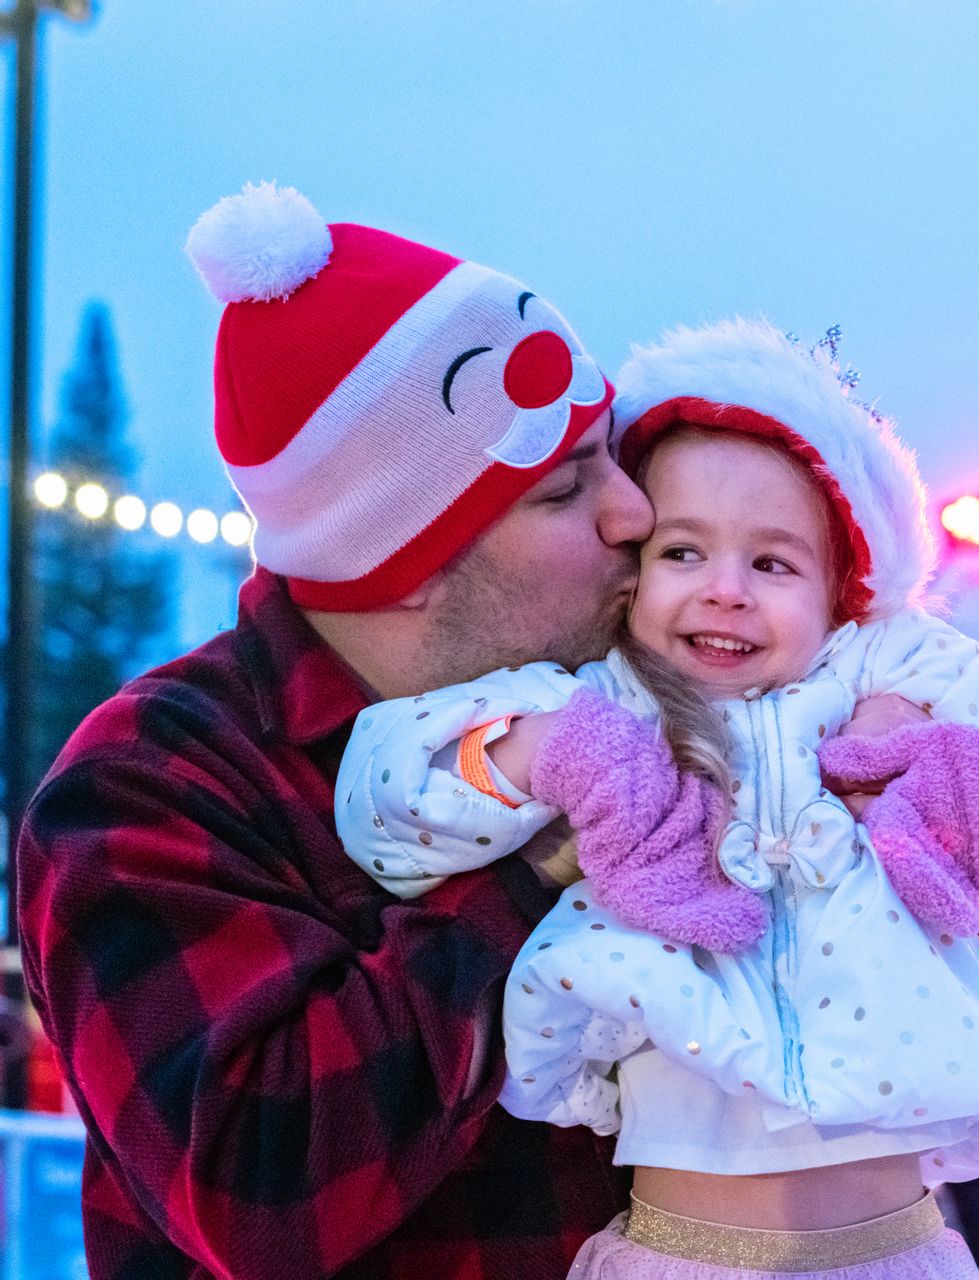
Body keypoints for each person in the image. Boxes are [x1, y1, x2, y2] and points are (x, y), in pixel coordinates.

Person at [13, 183, 888, 1279]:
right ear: (414, 562)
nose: (635, 513)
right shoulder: (155, 783)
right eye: (568, 486)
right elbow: (262, 1178)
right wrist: (545, 860)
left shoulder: (648, 692)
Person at [336, 318, 979, 1279]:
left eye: (772, 563)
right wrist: (553, 754)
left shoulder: (886, 669)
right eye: (683, 553)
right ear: (632, 572)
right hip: (682, 1250)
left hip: (896, 1250)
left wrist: (966, 777)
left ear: (843, 588)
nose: (725, 591)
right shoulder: (598, 697)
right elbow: (386, 794)